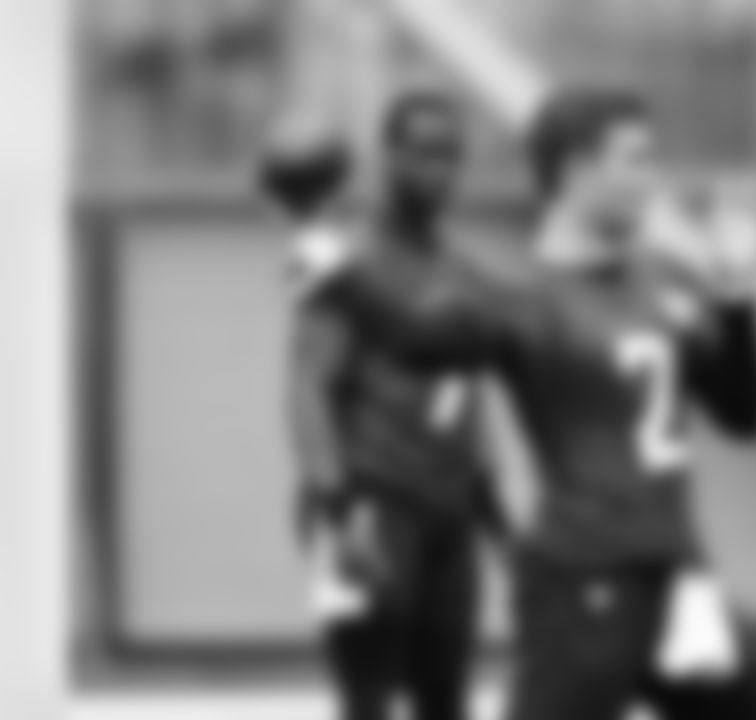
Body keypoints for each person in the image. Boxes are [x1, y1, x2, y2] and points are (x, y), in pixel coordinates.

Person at [302, 87, 756, 720]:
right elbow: (415, 336)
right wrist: (334, 272)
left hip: (679, 582)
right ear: (575, 172)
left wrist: (737, 295)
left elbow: (747, 415)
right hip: (585, 580)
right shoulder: (524, 296)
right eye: (634, 159)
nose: (651, 178)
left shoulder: (663, 281)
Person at [261, 89, 498, 720]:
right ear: (387, 156)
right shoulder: (350, 261)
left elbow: (469, 390)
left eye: (451, 155)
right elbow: (307, 387)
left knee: (446, 704)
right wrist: (336, 511)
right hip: (373, 507)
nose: (439, 169)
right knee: (367, 704)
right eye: (424, 152)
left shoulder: (462, 268)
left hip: (447, 517)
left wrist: (493, 509)